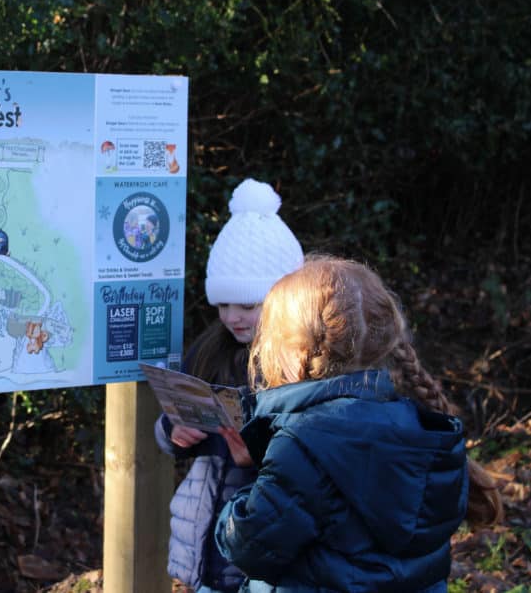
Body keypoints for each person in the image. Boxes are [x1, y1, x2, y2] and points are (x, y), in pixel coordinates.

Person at [214, 256, 503, 592]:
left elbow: (249, 545)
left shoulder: (303, 442)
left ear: (291, 351)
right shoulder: (425, 429)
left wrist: (246, 489)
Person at [154, 178, 305, 593]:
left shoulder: (301, 366)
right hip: (205, 539)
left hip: (266, 552)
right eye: (222, 304)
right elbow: (169, 423)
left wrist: (255, 459)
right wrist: (173, 431)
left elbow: (314, 465)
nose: (232, 317)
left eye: (248, 305)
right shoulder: (210, 351)